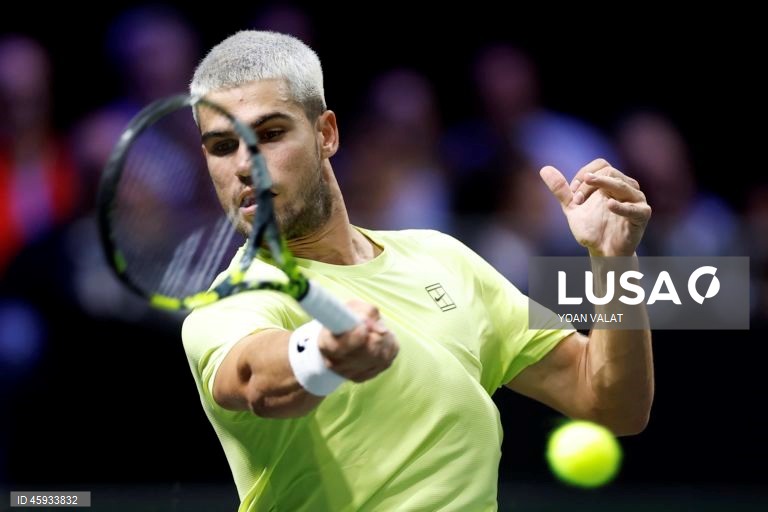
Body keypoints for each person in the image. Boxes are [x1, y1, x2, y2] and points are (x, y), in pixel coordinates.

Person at [182, 31, 654, 511]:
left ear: (326, 134)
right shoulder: (231, 305)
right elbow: (255, 381)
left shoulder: (442, 258)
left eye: (270, 134)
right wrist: (322, 354)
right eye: (222, 146)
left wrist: (614, 261)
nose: (244, 165)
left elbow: (612, 403)